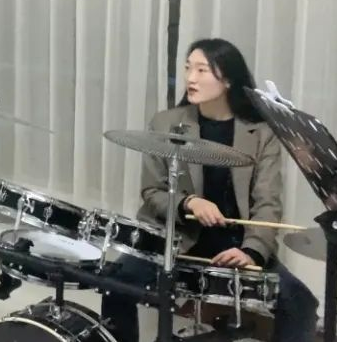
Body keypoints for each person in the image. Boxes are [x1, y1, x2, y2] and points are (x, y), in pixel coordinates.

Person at [100, 38, 319, 342]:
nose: (190, 78)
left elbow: (268, 203)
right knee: (115, 283)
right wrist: (189, 202)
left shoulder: (261, 133)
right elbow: (152, 191)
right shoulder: (166, 123)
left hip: (234, 244)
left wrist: (251, 252)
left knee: (301, 304)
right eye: (188, 68)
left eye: (202, 70)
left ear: (228, 80)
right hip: (174, 241)